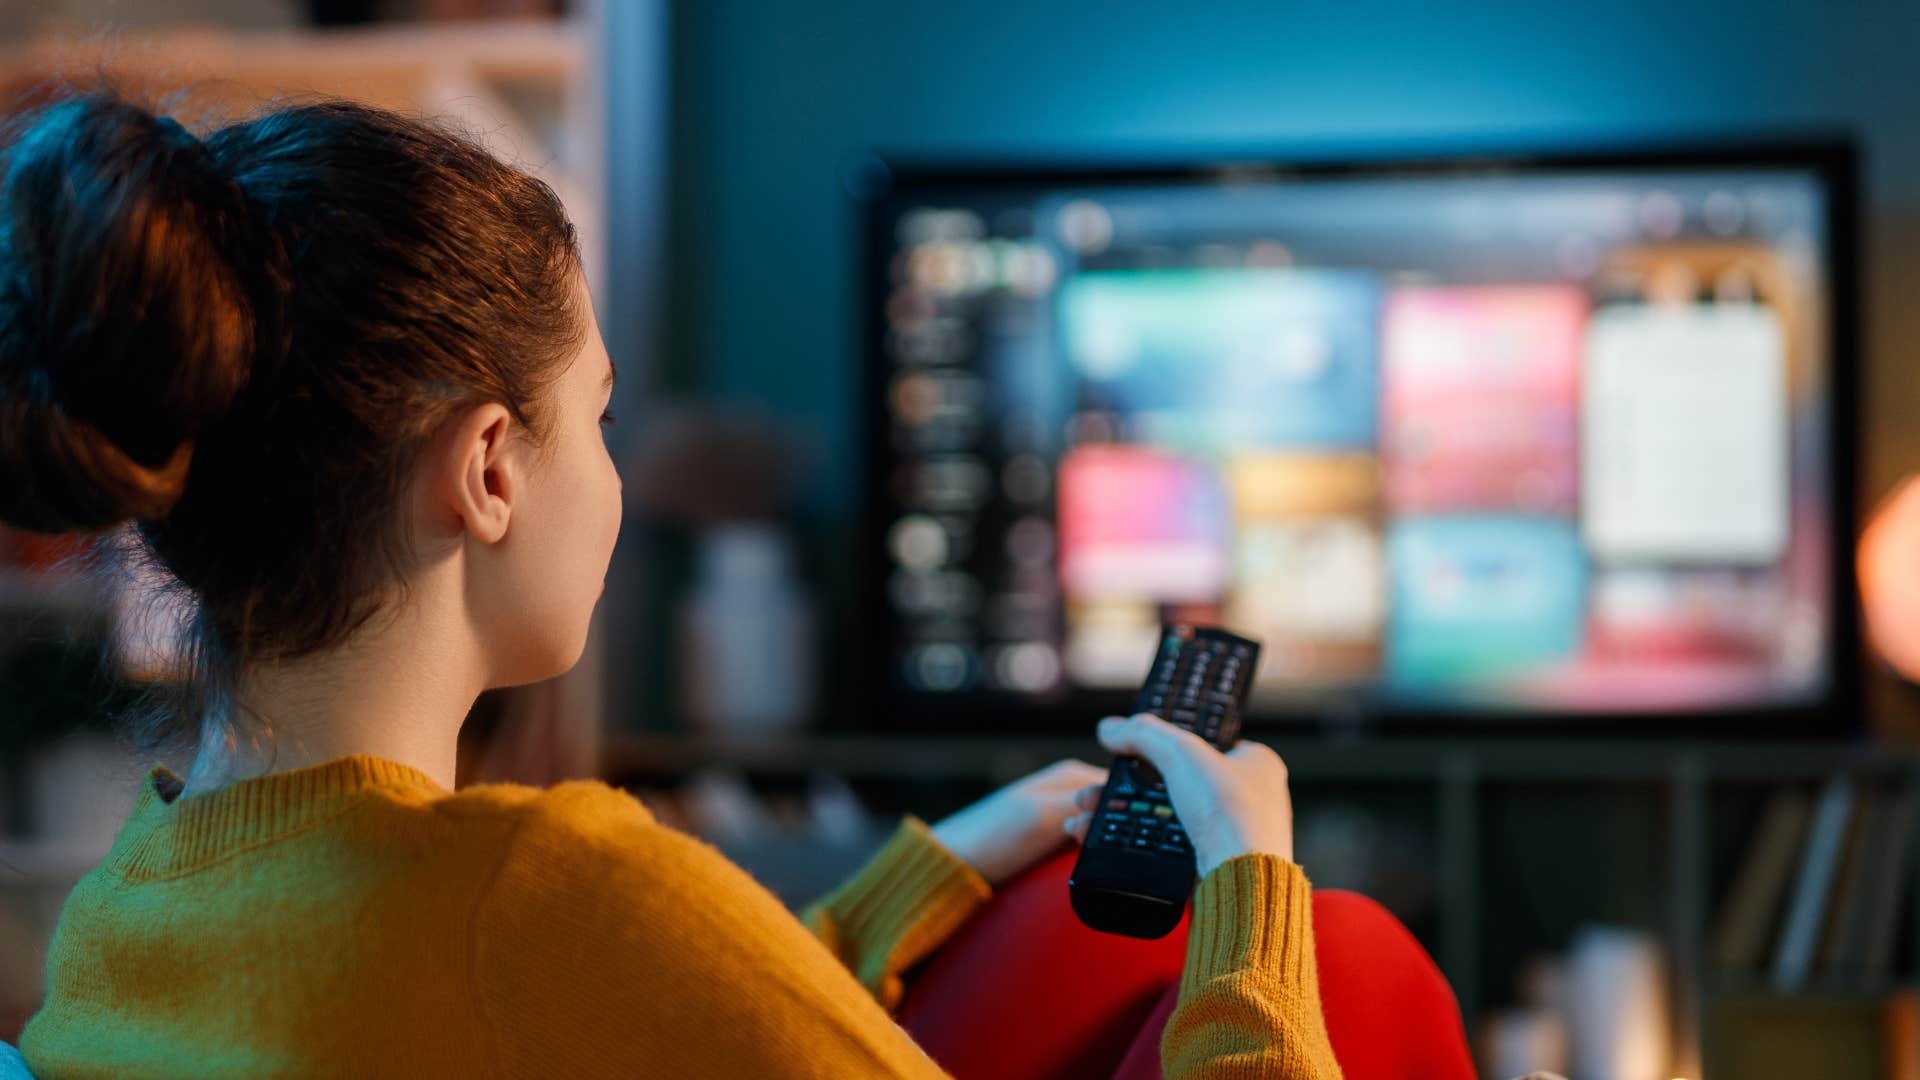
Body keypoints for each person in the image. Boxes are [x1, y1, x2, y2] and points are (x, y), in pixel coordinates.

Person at [2, 93, 1342, 1078]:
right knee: (1364, 963)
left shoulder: (127, 907)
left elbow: (663, 1012)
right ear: (487, 471)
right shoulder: (549, 891)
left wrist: (923, 876)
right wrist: (1249, 885)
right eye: (597, 417)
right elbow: (612, 963)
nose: (617, 478)